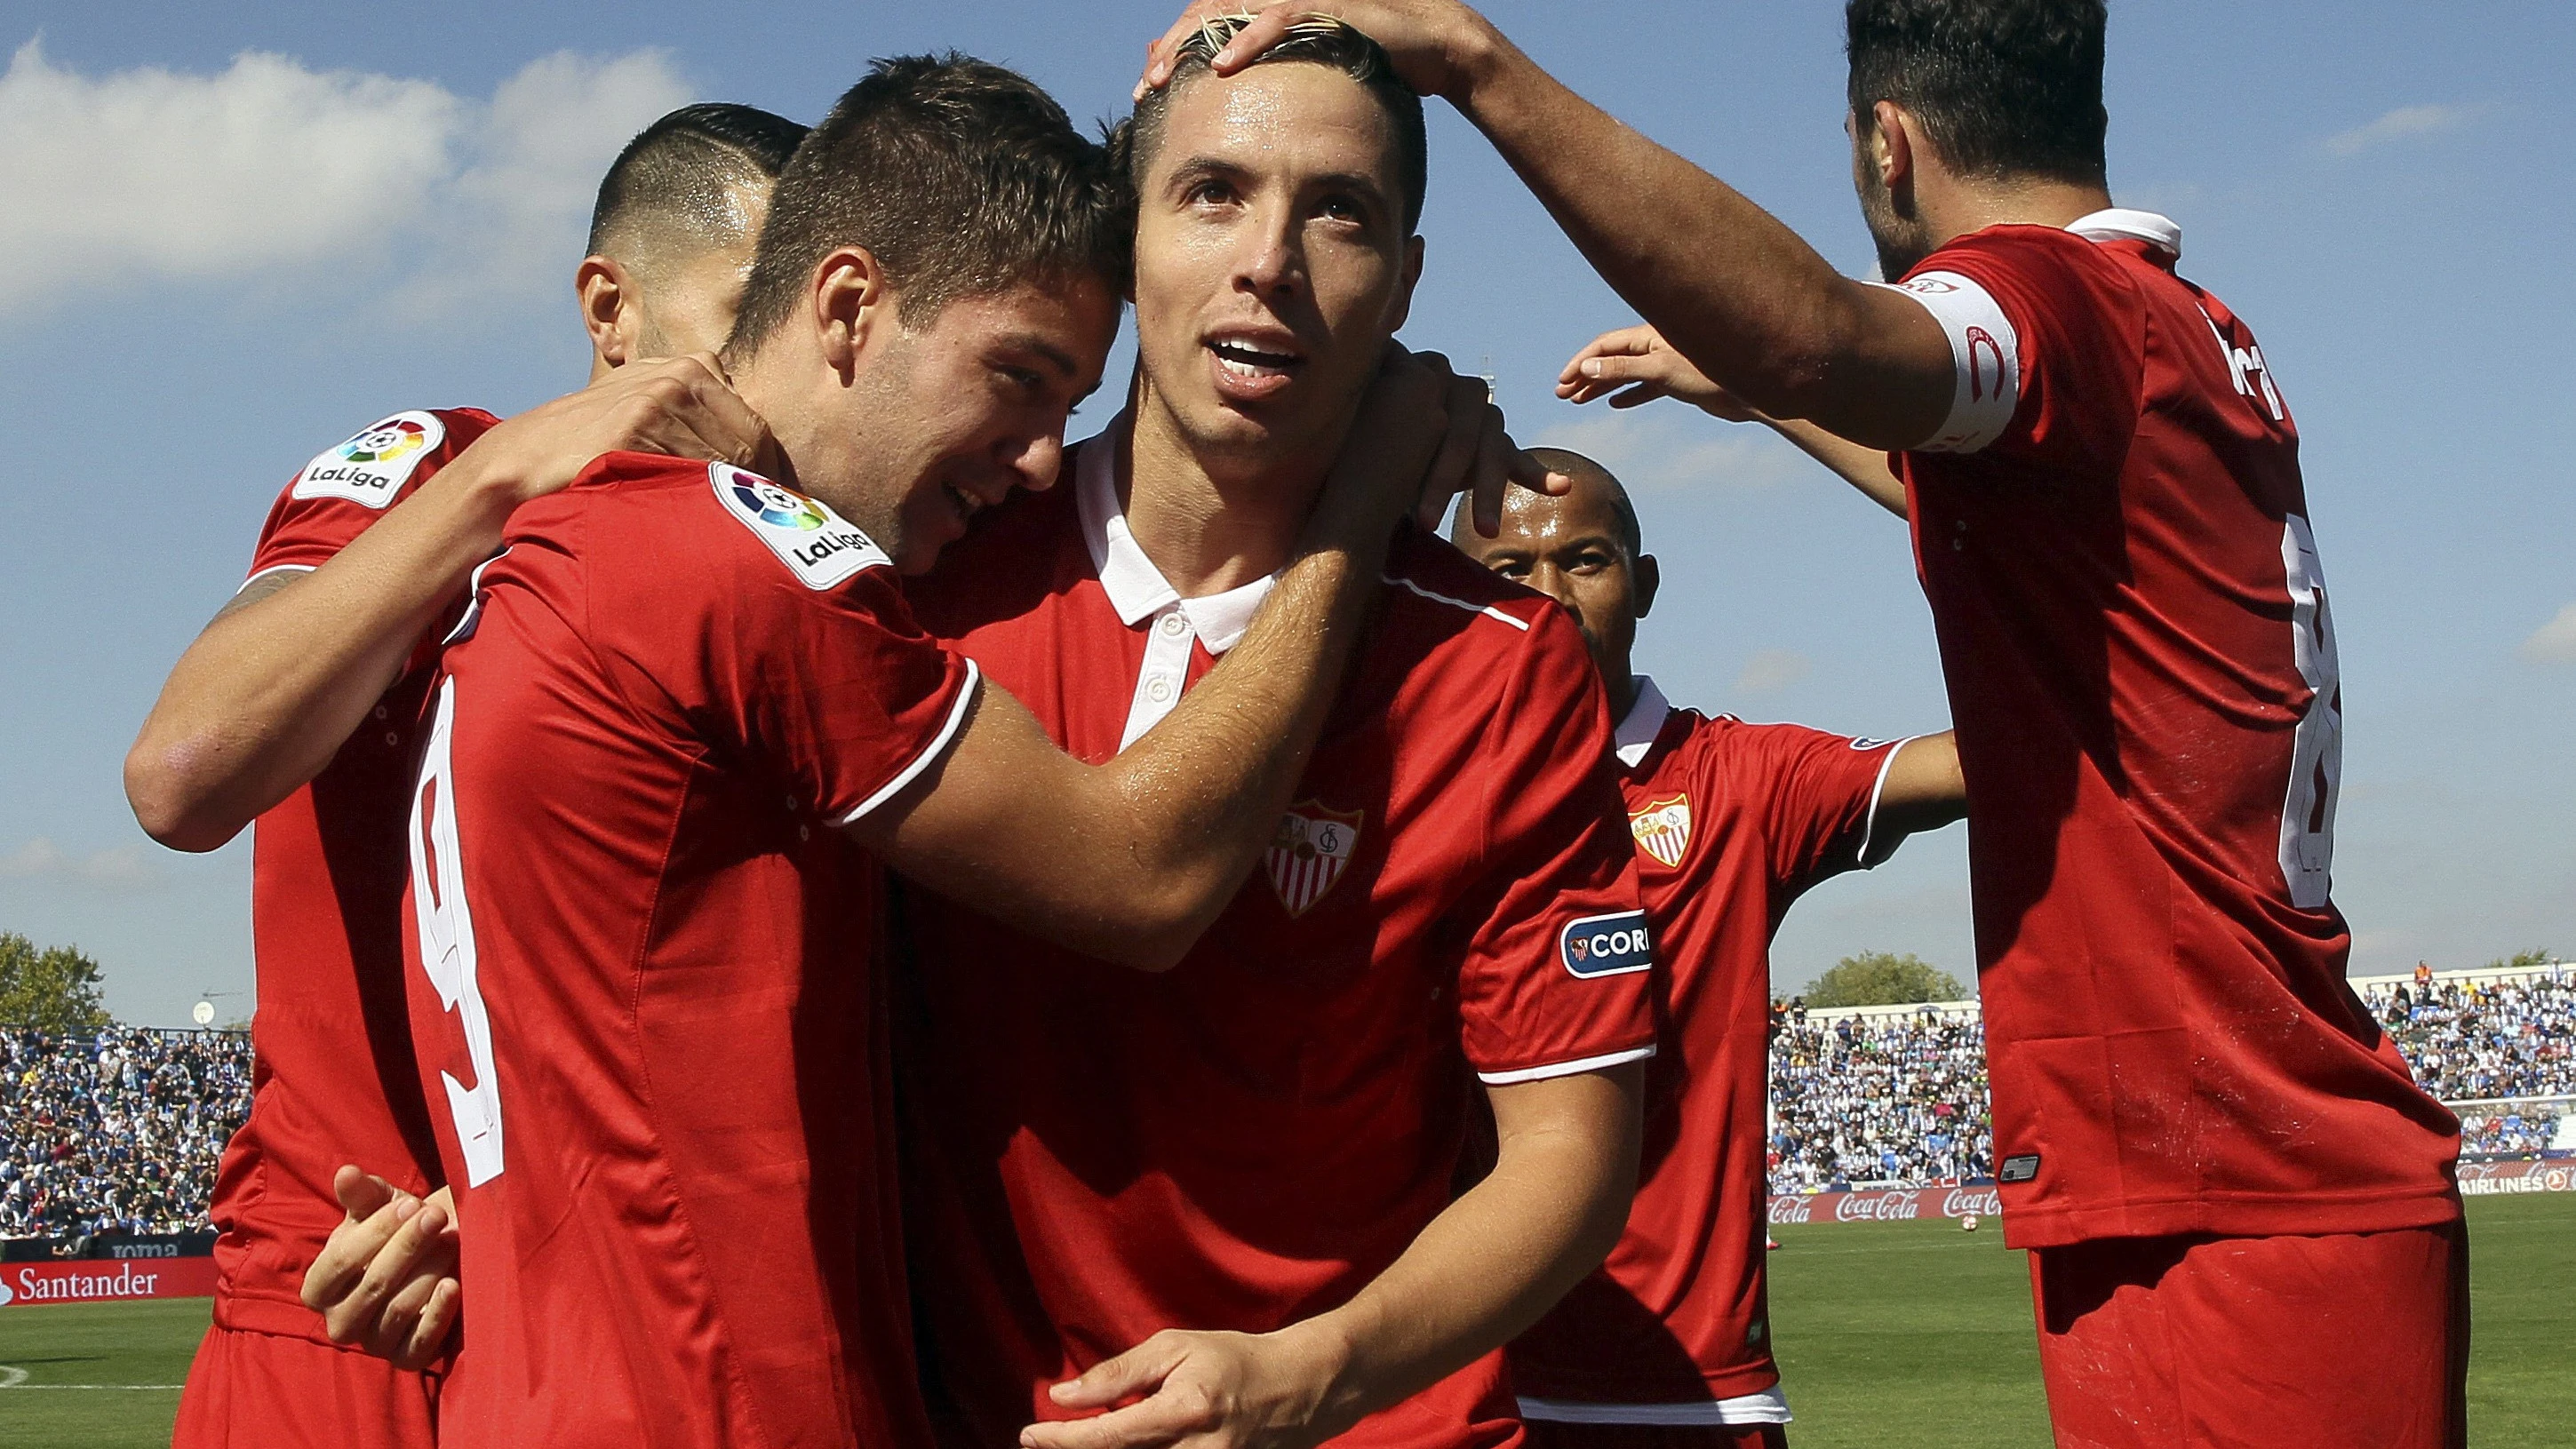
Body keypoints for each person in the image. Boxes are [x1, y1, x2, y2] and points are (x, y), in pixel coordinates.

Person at [1156, 2, 2468, 1444]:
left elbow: (1815, 336)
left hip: (2233, 1178)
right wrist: (1774, 404)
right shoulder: (2174, 329)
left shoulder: (2051, 303)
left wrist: (1476, 65)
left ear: (1883, 148)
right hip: (2229, 1166)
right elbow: (1960, 499)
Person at [395, 54, 1477, 1449]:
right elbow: (1138, 879)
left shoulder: (561, 531)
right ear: (847, 305)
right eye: (1016, 377)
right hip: (722, 1401)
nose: (1037, 460)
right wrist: (1360, 508)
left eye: (1066, 405)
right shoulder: (742, 571)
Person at [894, 23, 1651, 1449]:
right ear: (1128, 234)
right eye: (1213, 193)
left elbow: (1571, 1154)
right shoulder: (929, 576)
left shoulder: (1499, 670)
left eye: (1340, 211)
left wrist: (1320, 1369)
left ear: (1405, 281)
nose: (1270, 259)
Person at [128, 102, 805, 1447]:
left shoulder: (807, 575)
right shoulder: (435, 467)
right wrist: (501, 477)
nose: (777, 375)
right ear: (610, 311)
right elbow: (183, 773)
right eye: (747, 314)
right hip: (337, 1310)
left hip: (624, 1318)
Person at [1451, 453, 1964, 1447]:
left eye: (1585, 560)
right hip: (1452, 1383)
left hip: (1688, 1399)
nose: (1549, 598)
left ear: (1643, 584)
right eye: (1508, 570)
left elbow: (1985, 757)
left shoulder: (1740, 779)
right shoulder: (1407, 789)